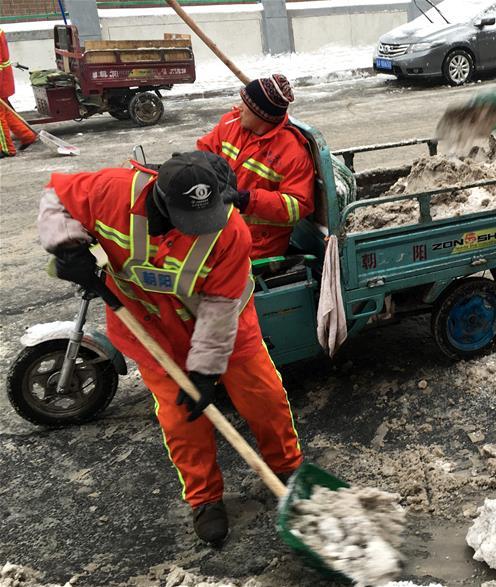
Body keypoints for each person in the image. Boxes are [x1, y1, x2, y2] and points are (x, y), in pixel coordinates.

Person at [37, 151, 304, 543]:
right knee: (181, 420)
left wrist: (205, 370)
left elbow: (220, 306)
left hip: (223, 326)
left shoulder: (229, 230)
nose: (202, 228)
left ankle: (287, 469)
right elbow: (55, 195)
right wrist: (66, 246)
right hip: (151, 328)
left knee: (263, 397)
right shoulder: (113, 191)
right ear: (163, 201)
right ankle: (205, 499)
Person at [197, 73, 315, 259]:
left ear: (261, 114)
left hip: (257, 246)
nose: (239, 108)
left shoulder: (292, 153)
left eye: (246, 104)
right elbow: (205, 150)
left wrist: (247, 199)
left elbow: (298, 206)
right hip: (221, 231)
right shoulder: (231, 123)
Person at [0, 27, 37, 157]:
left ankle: (6, 149)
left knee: (0, 117)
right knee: (6, 112)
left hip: (1, 81)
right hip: (3, 80)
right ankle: (27, 136)